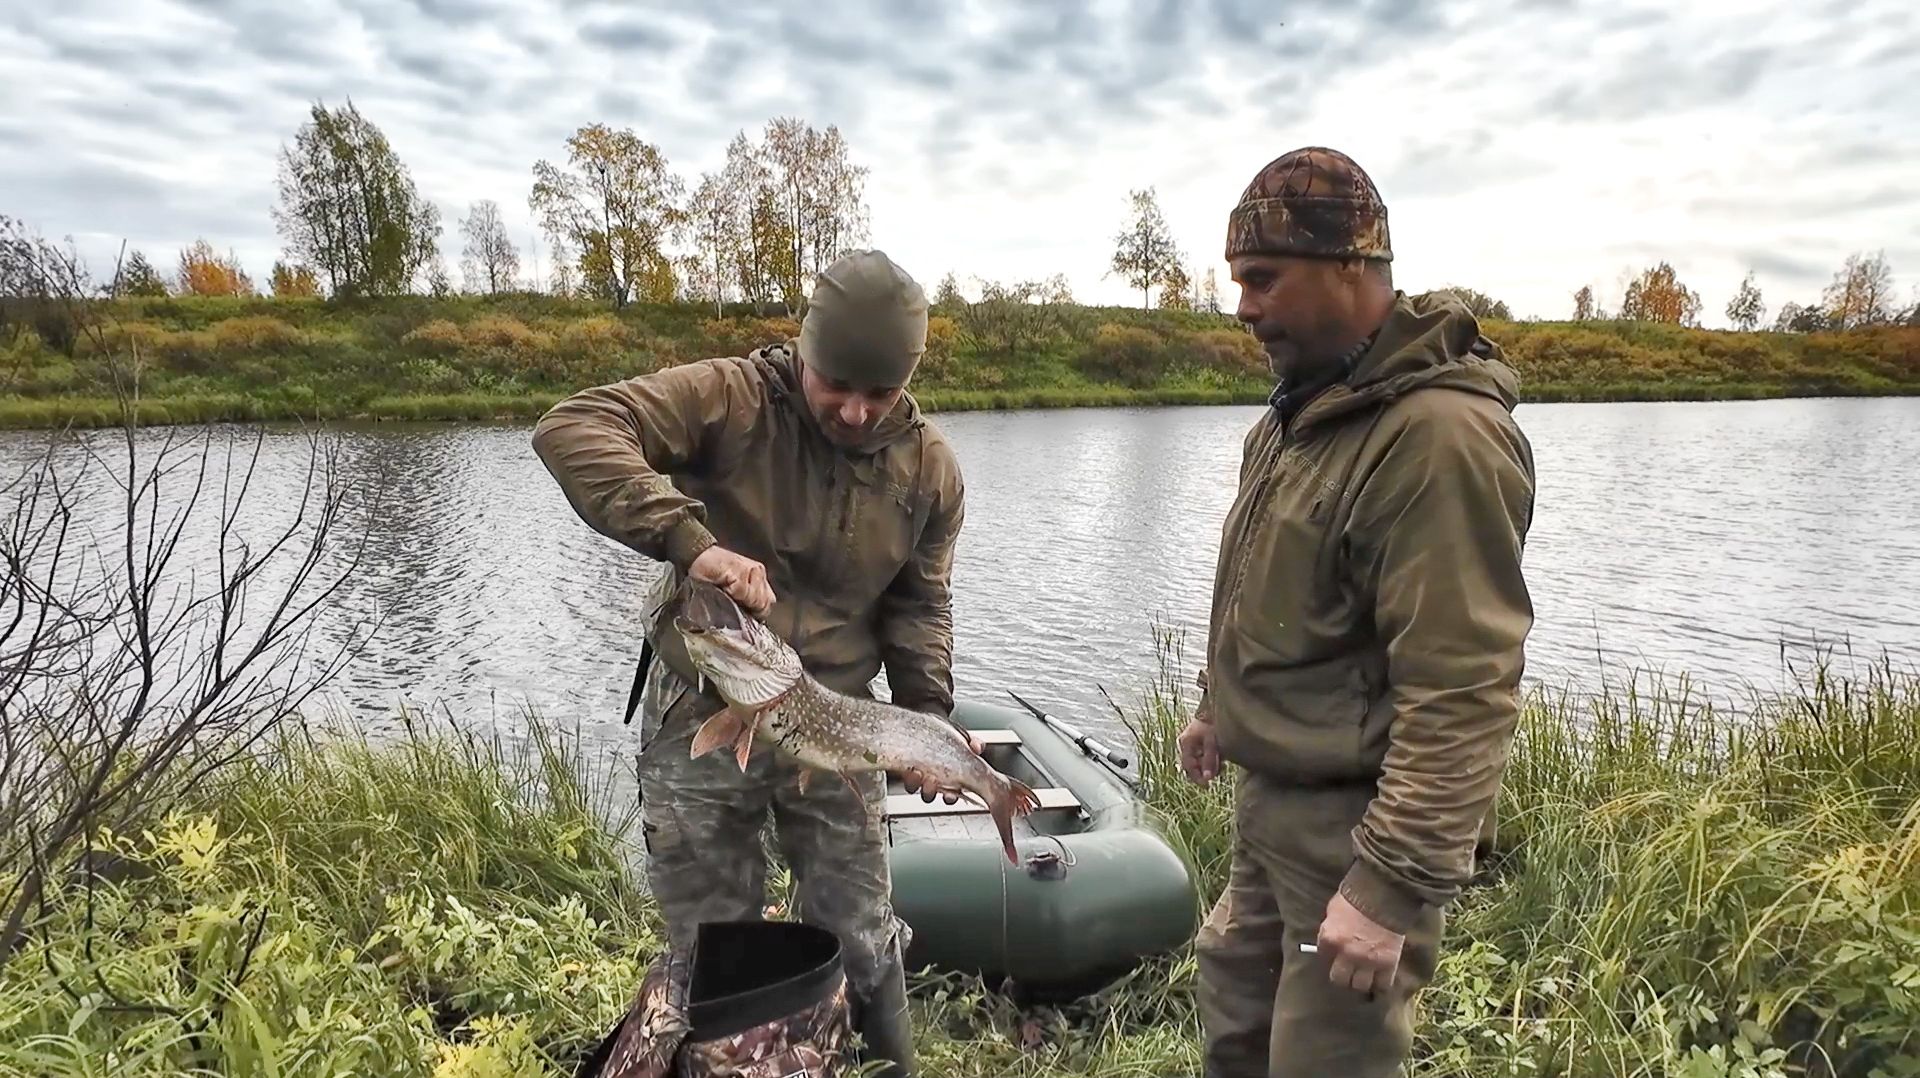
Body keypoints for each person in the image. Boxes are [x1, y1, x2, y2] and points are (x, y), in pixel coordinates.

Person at [531, 249, 973, 1078]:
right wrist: (690, 543)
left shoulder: (929, 471)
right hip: (706, 701)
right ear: (805, 349)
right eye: (835, 383)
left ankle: (884, 1067)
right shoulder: (729, 399)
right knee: (712, 941)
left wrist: (926, 720)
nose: (854, 411)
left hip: (835, 719)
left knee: (862, 930)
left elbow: (920, 607)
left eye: (880, 393)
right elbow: (572, 428)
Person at [1178, 146, 1537, 1076]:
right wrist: (1219, 706)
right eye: (1238, 280)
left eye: (1263, 278)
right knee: (1236, 1039)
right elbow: (1272, 592)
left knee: (1326, 1061)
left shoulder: (1438, 439)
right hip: (1269, 808)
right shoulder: (1295, 418)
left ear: (1352, 266)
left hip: (1353, 833)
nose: (1243, 306)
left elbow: (1463, 688)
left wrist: (1388, 885)